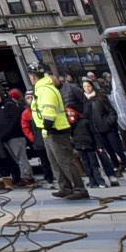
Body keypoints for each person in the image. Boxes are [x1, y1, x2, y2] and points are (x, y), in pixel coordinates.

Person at [29, 67, 87, 200]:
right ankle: (65, 187)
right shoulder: (40, 89)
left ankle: (79, 188)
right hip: (48, 131)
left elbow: (49, 109)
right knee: (55, 161)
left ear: (33, 76)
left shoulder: (45, 90)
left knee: (65, 161)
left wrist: (47, 125)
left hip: (56, 129)